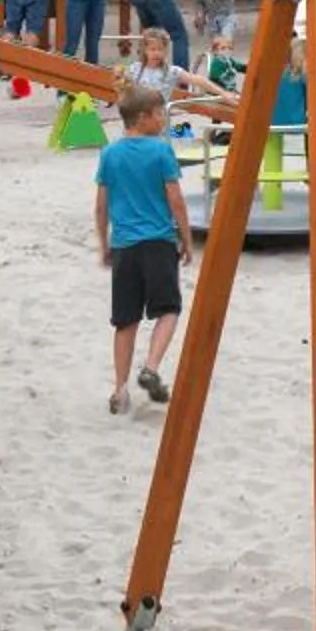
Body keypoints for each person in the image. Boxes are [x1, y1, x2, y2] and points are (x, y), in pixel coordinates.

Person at [95, 83, 195, 415]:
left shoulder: (109, 154)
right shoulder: (161, 151)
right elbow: (176, 201)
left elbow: (101, 205)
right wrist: (187, 239)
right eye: (159, 114)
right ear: (142, 118)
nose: (164, 120)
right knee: (168, 310)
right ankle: (151, 366)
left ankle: (120, 389)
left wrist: (103, 243)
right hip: (158, 243)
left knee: (125, 321)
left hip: (124, 246)